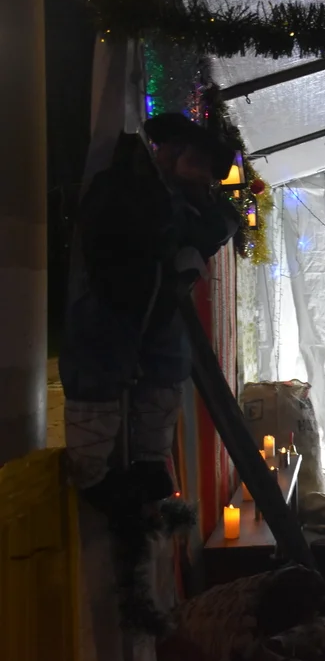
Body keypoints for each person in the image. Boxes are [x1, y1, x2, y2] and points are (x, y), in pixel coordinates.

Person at [61, 113, 240, 515]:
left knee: (167, 369)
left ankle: (149, 462)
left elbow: (217, 226)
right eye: (198, 163)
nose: (204, 177)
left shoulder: (193, 201)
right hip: (113, 304)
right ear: (173, 151)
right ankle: (93, 475)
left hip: (158, 311)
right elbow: (115, 236)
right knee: (98, 376)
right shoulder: (126, 185)